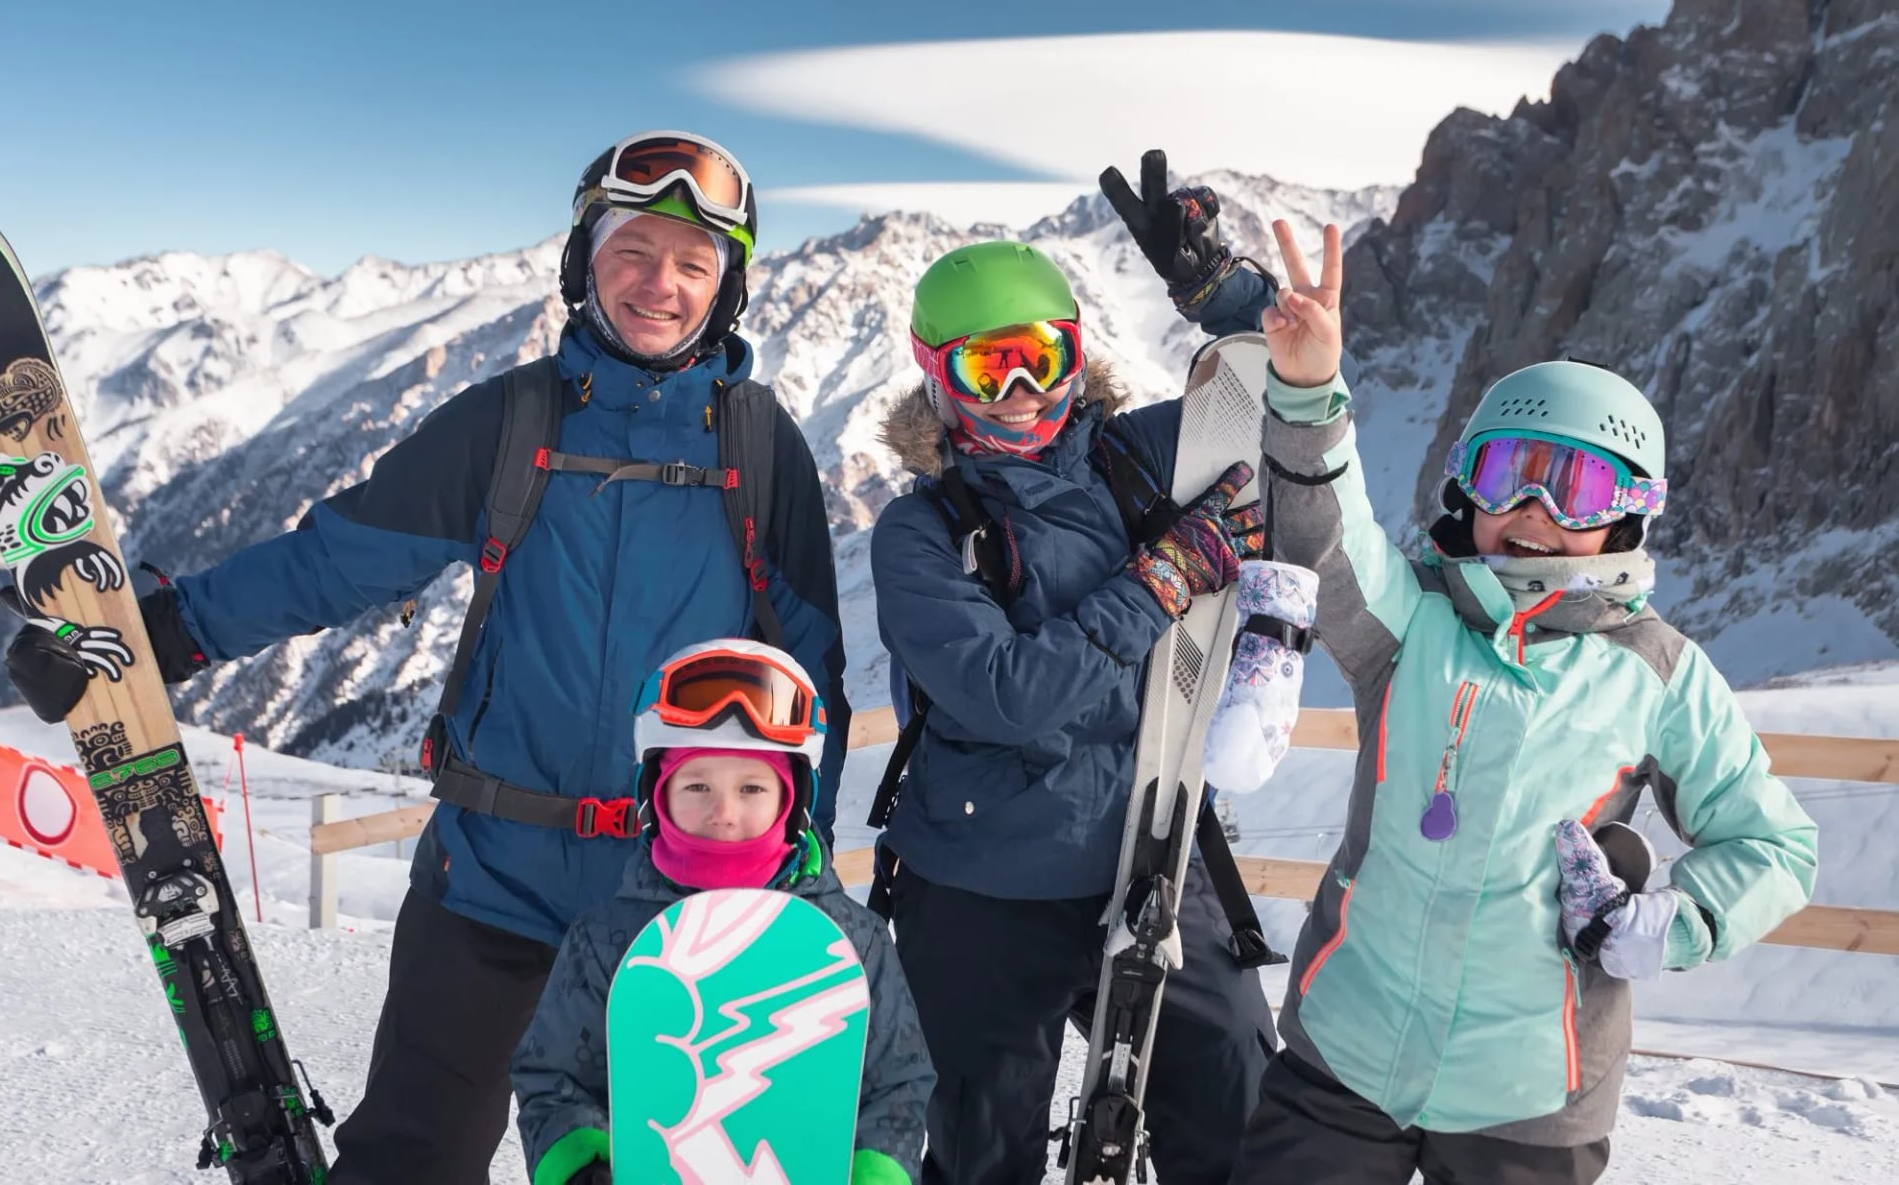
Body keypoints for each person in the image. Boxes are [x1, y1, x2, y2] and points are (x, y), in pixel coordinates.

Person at [1, 131, 851, 1183]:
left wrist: (791, 869)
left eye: (692, 262)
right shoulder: (512, 422)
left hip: (676, 897)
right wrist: (151, 638)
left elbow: (813, 678)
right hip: (489, 881)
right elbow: (336, 560)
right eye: (632, 249)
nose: (657, 285)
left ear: (727, 288)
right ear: (584, 257)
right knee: (414, 1157)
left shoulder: (761, 452)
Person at [1231, 219, 1818, 1183]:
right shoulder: (1413, 619)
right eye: (1511, 476)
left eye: (1576, 487)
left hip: (1531, 1097)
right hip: (1345, 1056)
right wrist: (1305, 391)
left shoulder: (1659, 672)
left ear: (1629, 509)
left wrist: (1668, 921)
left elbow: (1776, 845)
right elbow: (1325, 539)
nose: (1535, 514)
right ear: (1470, 488)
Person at [867, 152, 1281, 1184]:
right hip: (980, 883)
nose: (1016, 392)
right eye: (983, 368)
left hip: (1154, 849)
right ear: (936, 375)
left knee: (1241, 1105)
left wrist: (1233, 302)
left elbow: (1299, 398)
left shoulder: (1141, 456)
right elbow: (1007, 694)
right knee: (979, 1148)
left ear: (1076, 355)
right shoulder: (920, 531)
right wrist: (1161, 581)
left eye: (1038, 359)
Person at [511, 638, 934, 1185]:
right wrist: (582, 1169)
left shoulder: (853, 941)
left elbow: (898, 1081)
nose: (724, 812)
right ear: (655, 797)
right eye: (697, 785)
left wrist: (874, 1172)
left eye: (753, 787)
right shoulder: (606, 938)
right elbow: (553, 1076)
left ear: (794, 802)